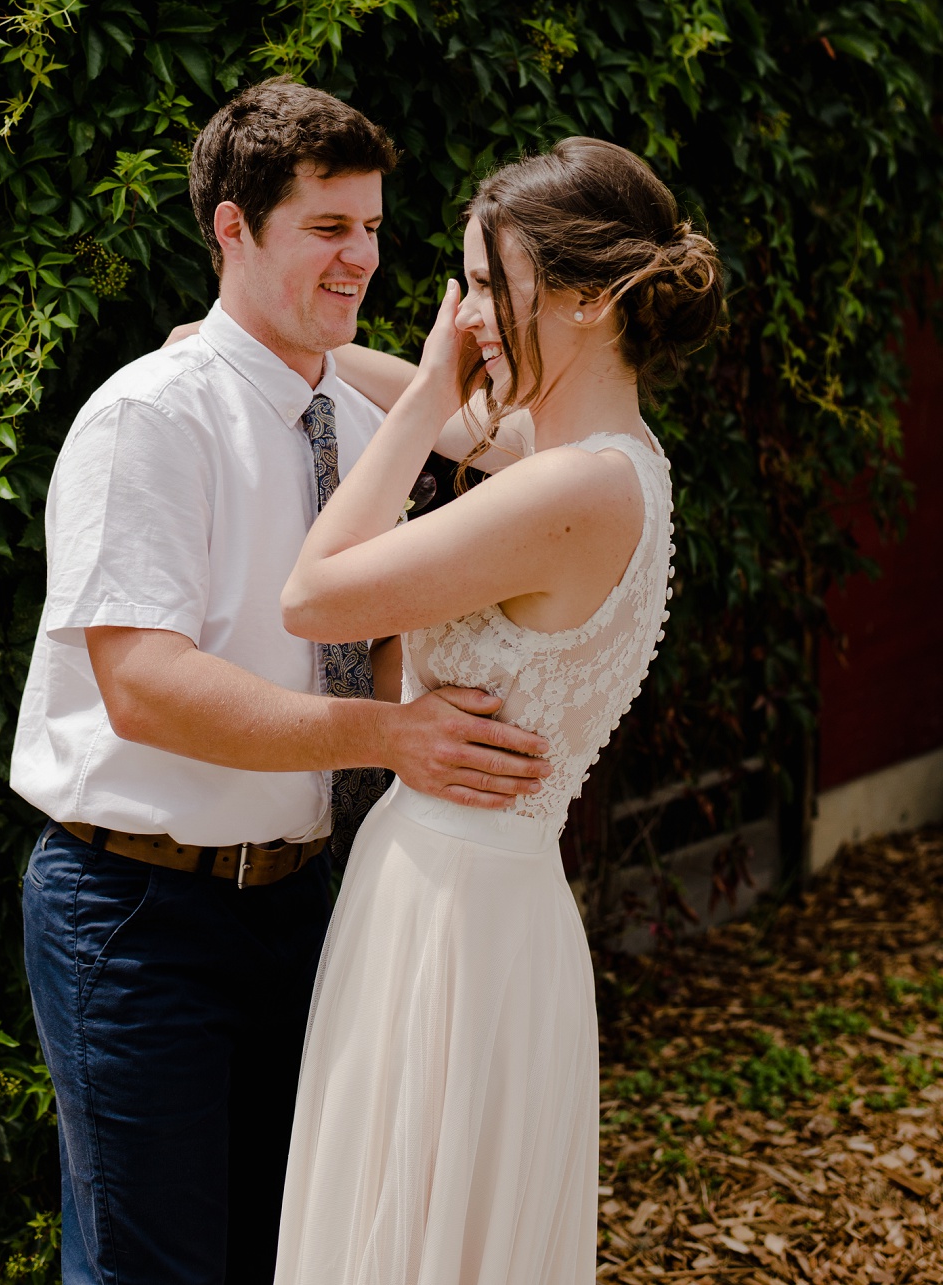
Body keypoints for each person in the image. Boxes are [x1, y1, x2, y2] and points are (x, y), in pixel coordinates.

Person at [9, 78, 552, 1285]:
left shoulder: (360, 431)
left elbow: (553, 453)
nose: (361, 255)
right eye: (326, 228)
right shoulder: (149, 417)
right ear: (231, 228)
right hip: (137, 913)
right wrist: (392, 736)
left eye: (370, 227)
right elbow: (143, 685)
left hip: (304, 906)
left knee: (287, 1253)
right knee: (149, 1269)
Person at [271, 136, 723, 1285]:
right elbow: (468, 426)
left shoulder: (565, 490)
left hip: (454, 925)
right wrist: (290, 357)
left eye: (483, 284)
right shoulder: (607, 457)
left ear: (580, 301)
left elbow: (313, 600)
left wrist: (426, 392)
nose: (463, 318)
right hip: (472, 897)